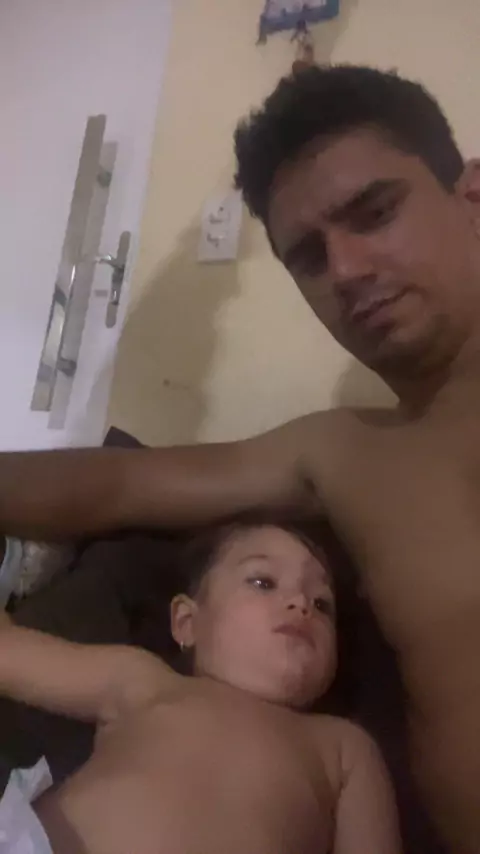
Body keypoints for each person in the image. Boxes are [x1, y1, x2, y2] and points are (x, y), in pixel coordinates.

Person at [0, 63, 479, 850]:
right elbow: (119, 484)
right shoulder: (343, 452)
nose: (347, 271)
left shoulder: (339, 757)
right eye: (309, 257)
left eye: (375, 212)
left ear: (473, 198)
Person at [0, 519, 401, 854]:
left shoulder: (343, 748)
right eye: (263, 582)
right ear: (187, 622)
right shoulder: (142, 679)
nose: (301, 603)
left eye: (322, 603)